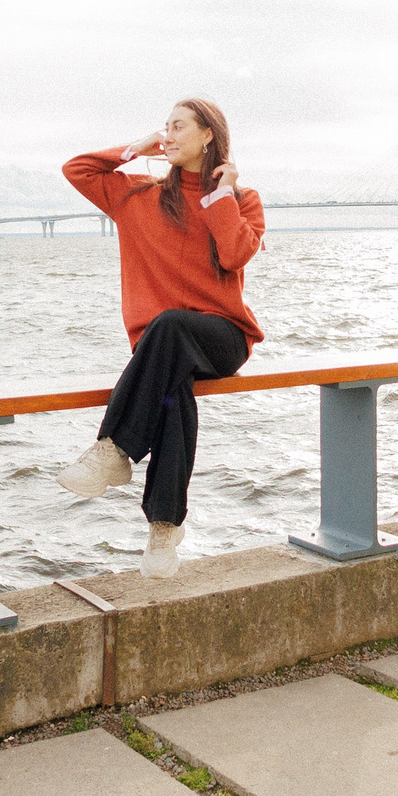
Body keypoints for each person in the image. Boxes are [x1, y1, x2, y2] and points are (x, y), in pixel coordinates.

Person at [58, 99, 265, 574]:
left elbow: (234, 255)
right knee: (171, 397)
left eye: (178, 127)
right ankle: (164, 528)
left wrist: (221, 196)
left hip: (222, 338)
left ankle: (113, 449)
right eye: (164, 127)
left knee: (169, 325)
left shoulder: (242, 199)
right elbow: (78, 169)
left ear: (208, 134)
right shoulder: (136, 194)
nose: (167, 135)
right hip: (160, 350)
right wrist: (136, 148)